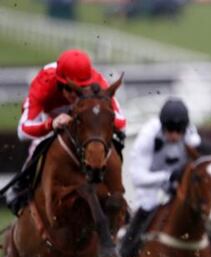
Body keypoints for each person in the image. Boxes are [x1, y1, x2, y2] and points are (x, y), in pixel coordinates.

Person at [7, 48, 126, 214]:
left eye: (82, 89)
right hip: (51, 116)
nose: (76, 95)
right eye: (71, 89)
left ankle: (118, 196)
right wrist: (51, 124)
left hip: (84, 118)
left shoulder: (97, 81)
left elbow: (121, 122)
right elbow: (23, 131)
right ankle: (20, 188)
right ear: (59, 83)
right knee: (37, 147)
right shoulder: (44, 82)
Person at [110, 97, 201, 257]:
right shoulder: (148, 136)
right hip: (150, 185)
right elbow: (138, 177)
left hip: (176, 184)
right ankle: (124, 253)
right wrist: (166, 177)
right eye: (170, 130)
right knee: (148, 206)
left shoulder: (191, 133)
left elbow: (199, 158)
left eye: (178, 131)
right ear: (162, 126)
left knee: (198, 205)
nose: (174, 136)